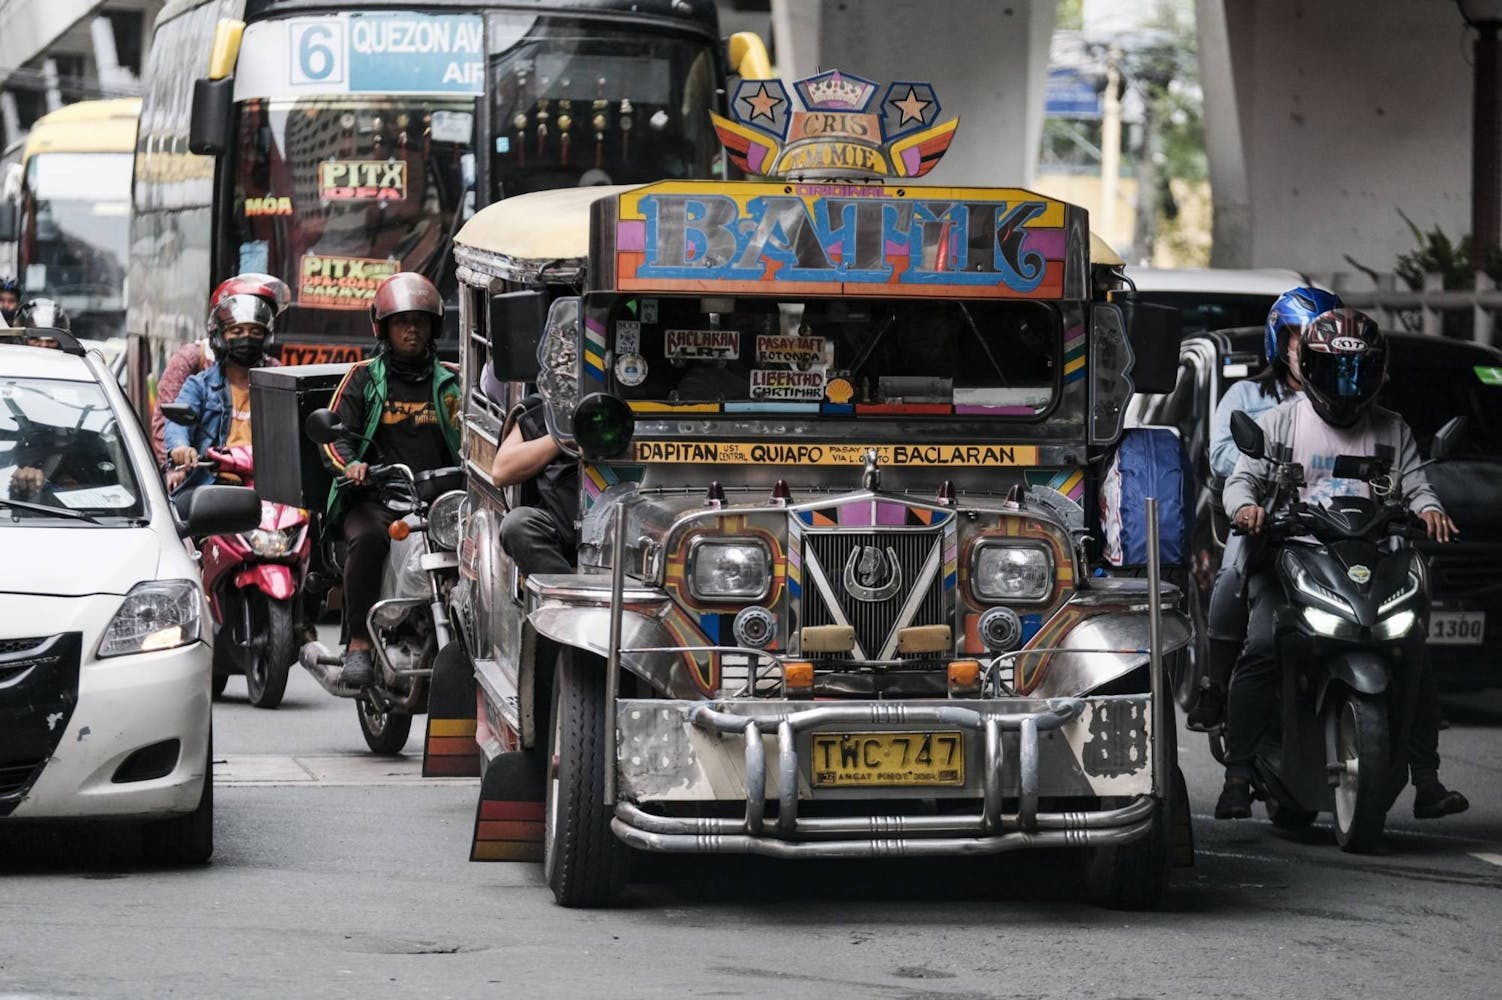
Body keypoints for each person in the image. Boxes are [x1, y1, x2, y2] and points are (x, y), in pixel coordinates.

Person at [1216, 309, 1468, 821]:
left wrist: (1431, 511)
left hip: (1371, 565)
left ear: (1378, 374)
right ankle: (1238, 774)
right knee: (1263, 646)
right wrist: (1246, 508)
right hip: (1293, 561)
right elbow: (1240, 481)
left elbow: (1418, 485)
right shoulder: (1278, 423)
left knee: (1413, 646)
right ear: (1309, 368)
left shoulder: (1392, 429)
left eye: (1360, 371)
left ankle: (1427, 779)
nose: (1349, 385)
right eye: (1336, 371)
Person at [1189, 286, 1340, 729]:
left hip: (1332, 524)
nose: (1304, 345)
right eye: (1296, 335)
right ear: (1280, 341)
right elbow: (1220, 455)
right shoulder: (1246, 397)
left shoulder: (1345, 401)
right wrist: (1268, 469)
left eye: (1315, 334)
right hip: (1265, 519)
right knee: (1232, 577)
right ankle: (1215, 686)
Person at [320, 272, 460, 687]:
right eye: (402, 322)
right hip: (378, 497)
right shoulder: (365, 377)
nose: (411, 330)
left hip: (441, 500)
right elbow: (334, 437)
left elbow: (480, 432)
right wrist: (351, 466)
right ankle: (360, 642)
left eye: (419, 321)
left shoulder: (453, 379)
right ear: (384, 328)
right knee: (367, 540)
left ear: (434, 327)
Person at [153, 273, 291, 468]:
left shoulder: (278, 378)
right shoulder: (197, 376)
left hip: (265, 481)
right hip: (213, 481)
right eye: (237, 330)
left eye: (255, 330)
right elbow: (173, 422)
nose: (247, 337)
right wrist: (177, 457)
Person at [490, 393, 578, 577]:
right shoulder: (552, 412)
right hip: (565, 525)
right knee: (517, 525)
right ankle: (562, 598)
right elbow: (501, 472)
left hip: (636, 529)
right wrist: (563, 437)